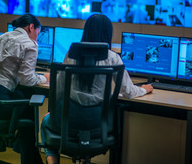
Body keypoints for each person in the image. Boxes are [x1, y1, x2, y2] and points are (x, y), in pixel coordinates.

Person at [41, 14, 153, 164]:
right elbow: (128, 92)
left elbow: (59, 90)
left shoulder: (72, 55)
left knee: (45, 120)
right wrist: (145, 89)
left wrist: (55, 112)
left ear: (86, 31)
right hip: (97, 124)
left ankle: (52, 160)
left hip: (69, 120)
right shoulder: (113, 58)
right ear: (108, 33)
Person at [0, 14, 50, 164]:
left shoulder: (2, 37)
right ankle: (28, 155)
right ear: (31, 27)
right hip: (1, 102)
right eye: (37, 34)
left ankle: (24, 151)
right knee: (30, 103)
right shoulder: (29, 43)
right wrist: (46, 77)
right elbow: (27, 79)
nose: (36, 38)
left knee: (22, 94)